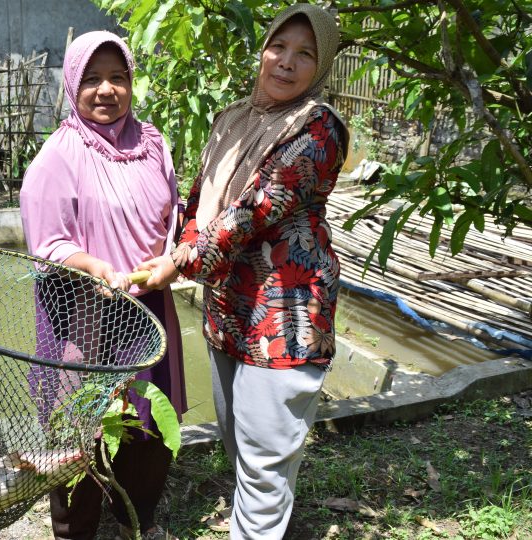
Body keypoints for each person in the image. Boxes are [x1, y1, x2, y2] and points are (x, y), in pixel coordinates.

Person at [136, 4, 349, 539]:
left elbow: (255, 209)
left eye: (306, 54)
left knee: (265, 459)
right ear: (263, 48)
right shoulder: (233, 119)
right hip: (230, 309)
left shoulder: (318, 130)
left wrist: (181, 262)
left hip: (285, 319)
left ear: (320, 68)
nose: (286, 62)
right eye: (280, 46)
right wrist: (180, 247)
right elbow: (198, 202)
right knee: (240, 443)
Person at [19, 30, 186, 540]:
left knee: (148, 427)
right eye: (92, 79)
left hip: (148, 306)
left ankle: (136, 519)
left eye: (117, 77)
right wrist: (95, 267)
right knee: (79, 433)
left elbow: (173, 216)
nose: (106, 90)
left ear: (131, 83)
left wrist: (171, 263)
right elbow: (47, 242)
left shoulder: (153, 144)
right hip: (82, 315)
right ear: (73, 85)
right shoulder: (59, 156)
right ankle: (76, 530)